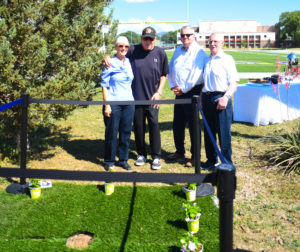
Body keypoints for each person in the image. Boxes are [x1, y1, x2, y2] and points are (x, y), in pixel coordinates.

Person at [104, 27, 169, 170]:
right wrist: (106, 58)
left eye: (150, 39)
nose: (148, 41)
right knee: (138, 127)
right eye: (145, 38)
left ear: (155, 39)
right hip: (135, 98)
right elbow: (119, 53)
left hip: (153, 98)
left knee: (154, 125)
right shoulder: (133, 50)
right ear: (141, 39)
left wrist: (159, 92)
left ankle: (156, 156)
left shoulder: (160, 52)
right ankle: (141, 154)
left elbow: (164, 74)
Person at [167, 25, 207, 167]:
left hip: (192, 92)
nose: (185, 38)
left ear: (194, 36)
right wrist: (172, 85)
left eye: (188, 35)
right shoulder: (178, 50)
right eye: (182, 35)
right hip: (178, 92)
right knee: (177, 124)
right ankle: (179, 151)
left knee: (193, 126)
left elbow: (196, 75)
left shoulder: (199, 53)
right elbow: (170, 68)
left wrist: (183, 89)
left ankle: (195, 157)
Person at [201, 33, 239, 169]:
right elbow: (204, 82)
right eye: (210, 41)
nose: (212, 44)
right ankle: (211, 160)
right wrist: (201, 98)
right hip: (206, 98)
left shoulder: (227, 59)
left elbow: (234, 82)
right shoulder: (206, 60)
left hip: (221, 97)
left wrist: (226, 97)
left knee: (223, 132)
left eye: (215, 41)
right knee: (208, 132)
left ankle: (227, 162)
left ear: (222, 42)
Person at [100, 36, 135, 171]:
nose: (124, 49)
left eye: (126, 46)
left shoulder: (129, 62)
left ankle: (123, 159)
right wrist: (107, 105)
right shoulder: (110, 63)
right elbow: (104, 85)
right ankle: (109, 161)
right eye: (121, 46)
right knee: (111, 133)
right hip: (113, 103)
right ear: (116, 47)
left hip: (128, 103)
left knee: (126, 133)